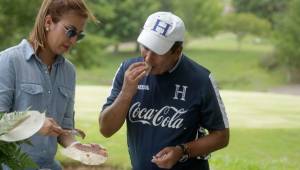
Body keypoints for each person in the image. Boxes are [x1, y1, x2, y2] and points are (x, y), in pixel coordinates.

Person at [99, 11, 229, 170]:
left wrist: (182, 151)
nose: (148, 58)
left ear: (177, 51)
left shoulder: (200, 79)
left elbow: (221, 137)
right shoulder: (127, 70)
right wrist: (126, 93)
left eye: (158, 51)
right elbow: (106, 129)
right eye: (145, 47)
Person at [0, 0, 106, 169]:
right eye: (70, 31)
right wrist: (33, 125)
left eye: (79, 35)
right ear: (48, 22)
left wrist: (77, 148)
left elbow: (64, 130)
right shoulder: (9, 61)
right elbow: (0, 122)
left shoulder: (69, 72)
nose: (73, 41)